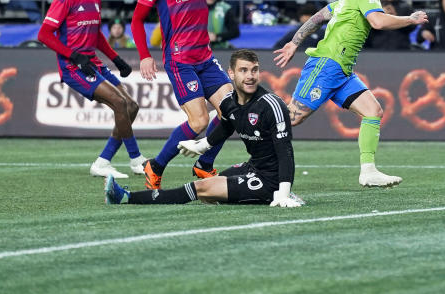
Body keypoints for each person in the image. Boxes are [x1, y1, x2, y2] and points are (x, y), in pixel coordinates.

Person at [273, 0, 428, 187]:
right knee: (289, 118)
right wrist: (410, 19)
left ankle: (368, 171)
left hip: (342, 71)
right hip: (327, 64)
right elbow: (377, 21)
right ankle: (230, 124)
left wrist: (295, 42)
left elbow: (319, 15)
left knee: (372, 111)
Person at [106, 49, 301, 207]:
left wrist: (282, 193)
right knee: (211, 195)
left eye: (254, 70)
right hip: (253, 168)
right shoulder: (228, 102)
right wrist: (203, 145)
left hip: (271, 180)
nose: (250, 76)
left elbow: (285, 152)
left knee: (202, 188)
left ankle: (127, 197)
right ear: (231, 73)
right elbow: (226, 127)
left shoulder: (271, 105)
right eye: (243, 70)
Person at [130, 0, 234, 189]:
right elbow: (137, 20)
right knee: (199, 121)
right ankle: (156, 165)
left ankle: (203, 165)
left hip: (206, 58)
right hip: (180, 61)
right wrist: (144, 55)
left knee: (232, 112)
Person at [37, 0, 141, 179]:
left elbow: (96, 35)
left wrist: (116, 58)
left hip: (93, 63)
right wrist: (73, 56)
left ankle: (103, 162)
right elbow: (44, 34)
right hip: (74, 67)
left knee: (132, 106)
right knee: (120, 103)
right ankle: (136, 159)